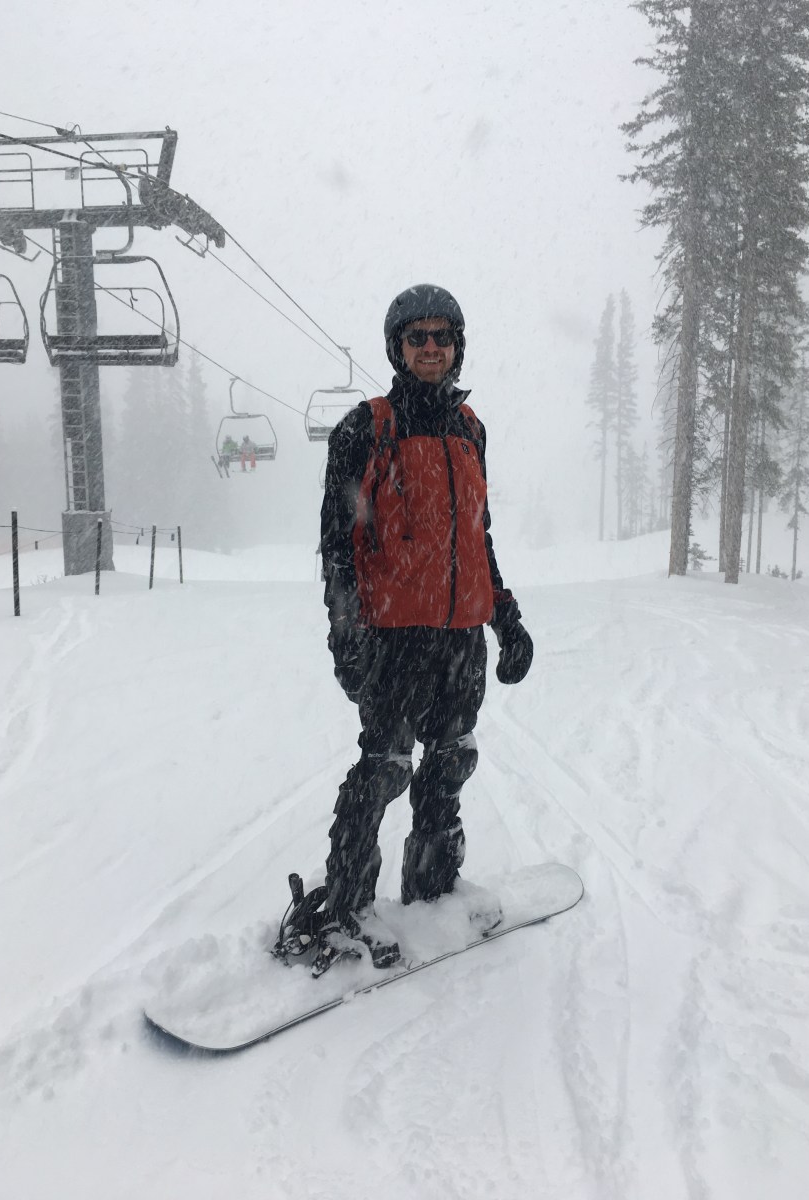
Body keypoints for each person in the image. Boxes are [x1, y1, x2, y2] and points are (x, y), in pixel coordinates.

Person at [289, 283, 533, 975]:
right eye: (417, 337)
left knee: (450, 760)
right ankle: (346, 908)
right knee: (386, 767)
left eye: (442, 336)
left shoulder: (470, 430)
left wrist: (507, 617)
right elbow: (337, 544)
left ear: (458, 347)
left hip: (460, 634)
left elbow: (477, 537)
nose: (431, 347)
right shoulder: (364, 429)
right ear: (398, 348)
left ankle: (433, 889)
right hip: (393, 635)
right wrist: (345, 631)